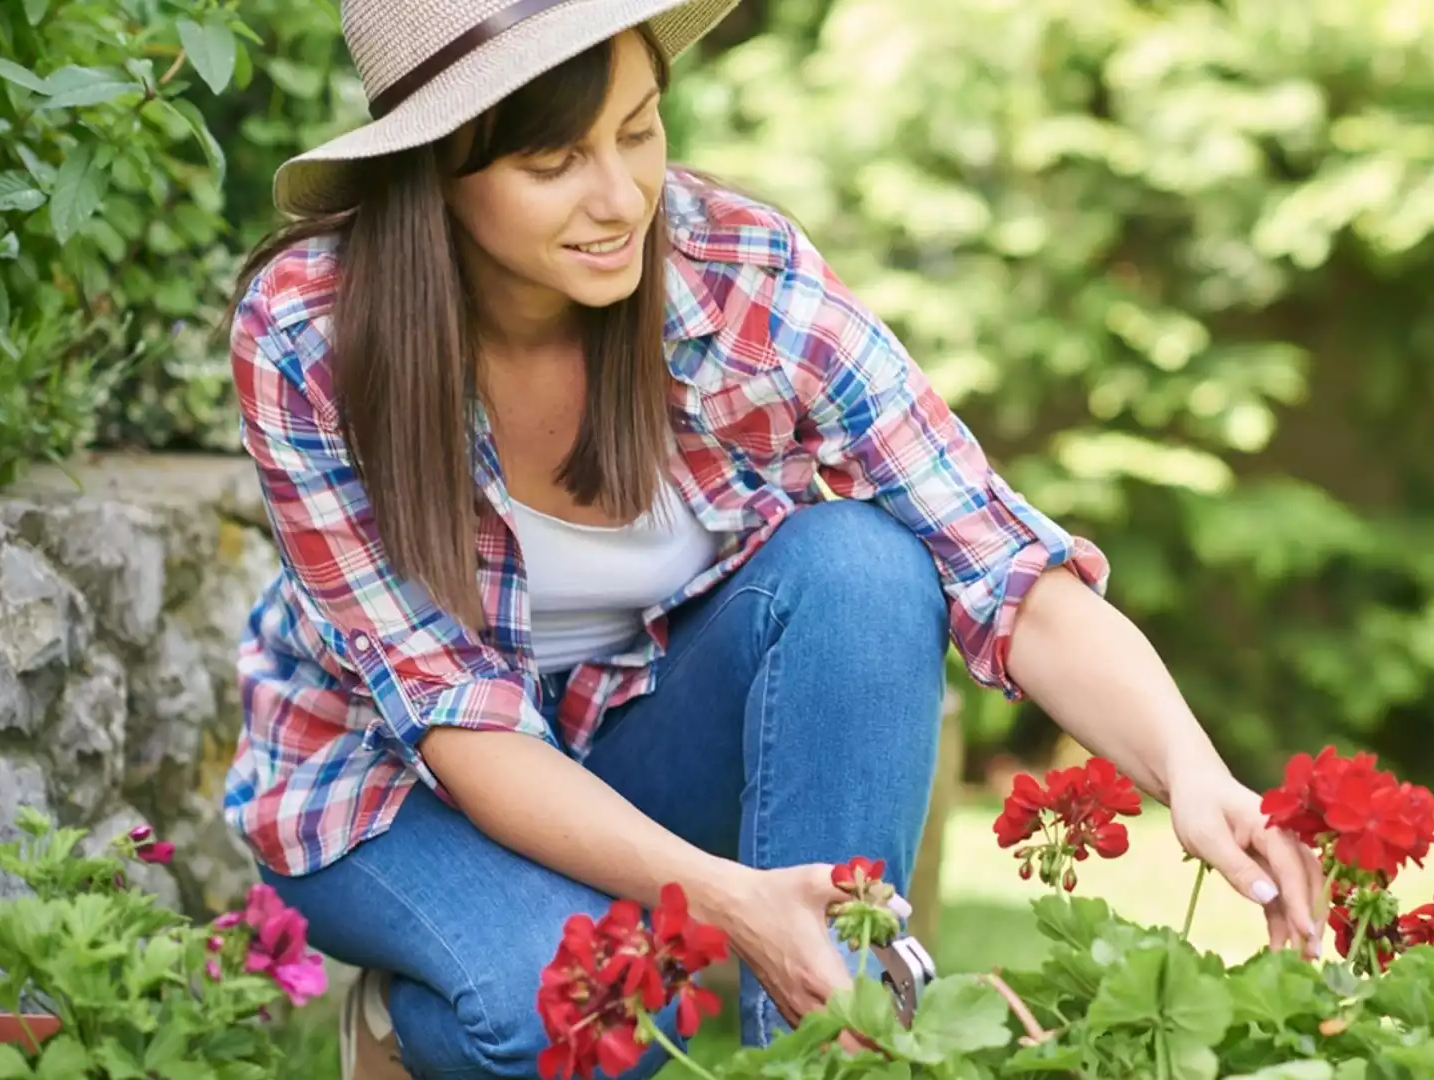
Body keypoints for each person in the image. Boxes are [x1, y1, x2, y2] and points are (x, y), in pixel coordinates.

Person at [221, 0, 1325, 1076]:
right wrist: (728, 902)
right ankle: (416, 1023)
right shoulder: (308, 334)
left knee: (866, 568)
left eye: (639, 130)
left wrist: (1192, 770)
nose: (620, 198)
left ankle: (828, 1056)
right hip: (390, 785)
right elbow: (457, 718)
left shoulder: (740, 275)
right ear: (434, 170)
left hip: (640, 740)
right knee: (561, 1010)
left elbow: (997, 556)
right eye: (554, 162)